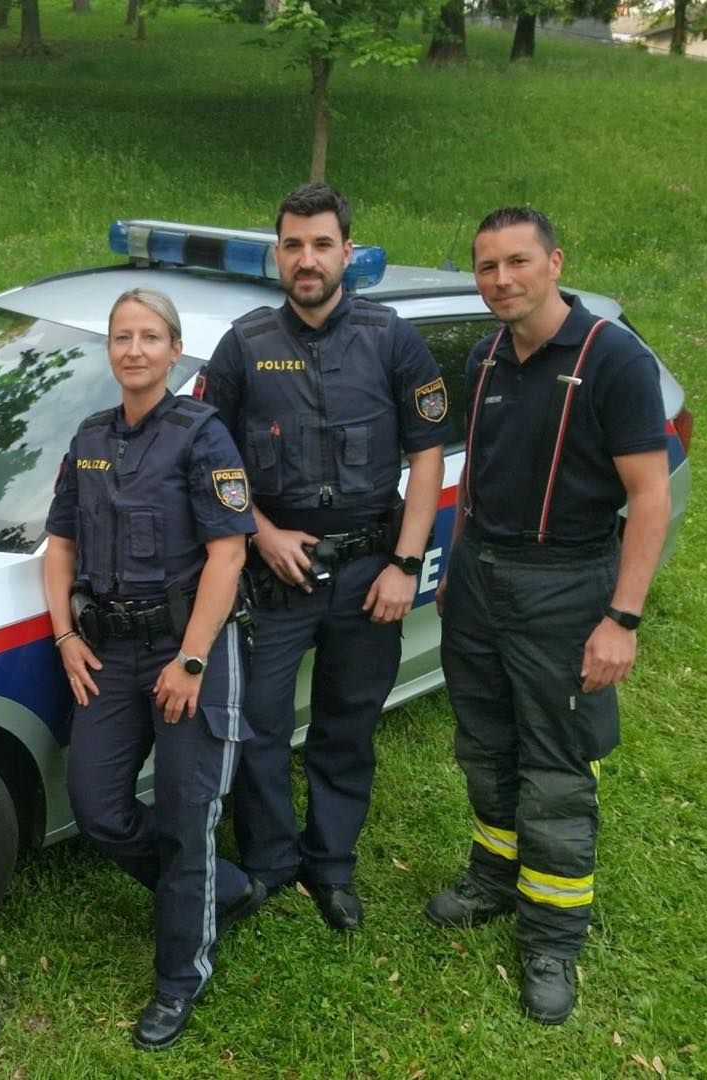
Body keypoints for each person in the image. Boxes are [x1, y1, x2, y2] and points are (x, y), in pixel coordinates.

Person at [426, 208, 670, 1025]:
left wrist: (621, 620)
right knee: (486, 747)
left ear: (554, 261)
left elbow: (649, 496)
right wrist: (457, 571)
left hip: (566, 589)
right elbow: (479, 476)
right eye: (487, 265)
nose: (501, 279)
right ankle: (495, 878)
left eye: (518, 262)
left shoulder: (614, 361)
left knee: (557, 771)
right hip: (481, 583)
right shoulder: (488, 353)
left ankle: (553, 937)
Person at [199, 182, 451, 932]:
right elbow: (212, 462)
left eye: (320, 244)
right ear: (277, 253)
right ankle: (273, 862)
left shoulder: (391, 338)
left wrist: (406, 565)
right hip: (273, 575)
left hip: (370, 571)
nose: (306, 260)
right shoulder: (244, 344)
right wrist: (262, 535)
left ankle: (333, 865)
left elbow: (429, 454)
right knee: (262, 725)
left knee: (348, 722)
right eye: (292, 245)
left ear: (348, 251)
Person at [44, 289, 265, 1051]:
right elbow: (62, 546)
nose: (133, 350)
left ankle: (180, 977)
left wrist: (194, 659)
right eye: (120, 337)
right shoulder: (89, 437)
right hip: (108, 649)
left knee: (184, 816)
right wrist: (66, 635)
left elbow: (228, 553)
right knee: (96, 804)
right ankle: (219, 890)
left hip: (187, 649)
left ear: (174, 352)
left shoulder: (203, 437)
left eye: (148, 338)